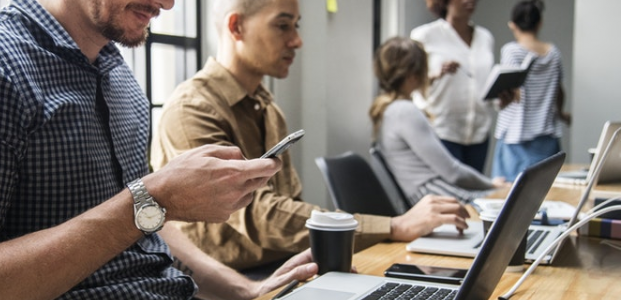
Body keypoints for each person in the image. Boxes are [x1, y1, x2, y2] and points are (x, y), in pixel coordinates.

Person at [0, 0, 320, 299]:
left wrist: (238, 290)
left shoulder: (118, 75)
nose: (168, 3)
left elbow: (146, 223)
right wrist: (154, 197)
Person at [150, 0, 470, 272]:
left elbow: (289, 205)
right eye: (283, 26)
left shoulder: (268, 107)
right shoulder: (191, 111)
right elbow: (258, 215)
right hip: (226, 282)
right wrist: (393, 226)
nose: (297, 41)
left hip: (284, 265)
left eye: (297, 26)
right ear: (237, 28)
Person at [369, 37, 506, 206]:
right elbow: (453, 172)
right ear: (413, 75)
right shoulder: (404, 111)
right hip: (436, 197)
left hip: (433, 195)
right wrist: (493, 184)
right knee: (511, 199)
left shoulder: (389, 110)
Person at [410, 0, 496, 172]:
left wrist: (502, 95)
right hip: (442, 131)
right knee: (448, 196)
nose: (469, 1)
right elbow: (411, 81)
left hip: (478, 132)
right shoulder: (425, 35)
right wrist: (436, 74)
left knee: (474, 194)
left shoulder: (485, 37)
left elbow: (484, 82)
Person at [491, 0, 571, 182]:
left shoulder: (512, 51)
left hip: (515, 136)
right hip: (546, 136)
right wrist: (561, 113)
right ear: (539, 23)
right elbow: (559, 91)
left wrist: (499, 102)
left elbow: (509, 90)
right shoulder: (553, 53)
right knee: (545, 191)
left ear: (512, 25)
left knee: (509, 196)